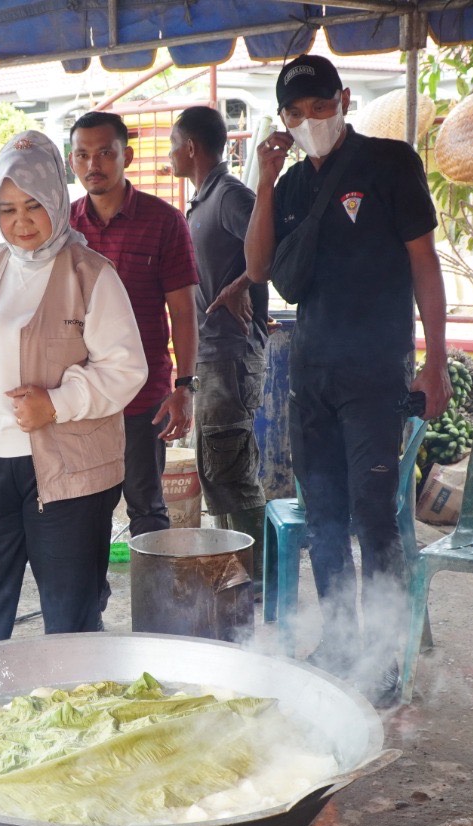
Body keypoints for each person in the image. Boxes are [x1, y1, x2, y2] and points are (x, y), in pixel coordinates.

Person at [243, 54, 451, 693]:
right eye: (297, 113)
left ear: (345, 99)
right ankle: (338, 647)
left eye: (321, 107)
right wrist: (266, 179)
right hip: (314, 372)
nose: (311, 121)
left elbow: (425, 265)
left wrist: (435, 362)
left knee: (373, 513)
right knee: (325, 515)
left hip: (376, 371)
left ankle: (385, 659)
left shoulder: (390, 164)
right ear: (283, 120)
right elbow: (257, 269)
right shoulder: (293, 183)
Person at [0, 131, 147, 641]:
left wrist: (56, 404)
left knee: (70, 611)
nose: (20, 222)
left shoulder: (90, 273)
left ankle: (73, 713)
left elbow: (125, 369)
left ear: (56, 198)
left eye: (33, 205)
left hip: (68, 473)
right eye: (6, 209)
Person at [68, 111, 200, 538]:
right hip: (79, 393)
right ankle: (88, 603)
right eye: (83, 155)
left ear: (126, 155)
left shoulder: (165, 221)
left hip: (143, 393)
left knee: (146, 506)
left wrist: (184, 387)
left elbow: (183, 312)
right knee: (81, 508)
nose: (94, 165)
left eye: (105, 153)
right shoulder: (63, 227)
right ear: (72, 162)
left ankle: (154, 604)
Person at [168, 105, 270, 557]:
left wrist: (240, 284)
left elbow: (272, 249)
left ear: (190, 147)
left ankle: (261, 575)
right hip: (211, 356)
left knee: (231, 472)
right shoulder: (202, 199)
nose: (170, 155)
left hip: (231, 355)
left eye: (173, 145)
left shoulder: (228, 195)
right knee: (215, 472)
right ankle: (237, 566)